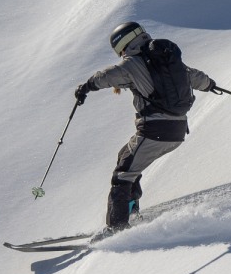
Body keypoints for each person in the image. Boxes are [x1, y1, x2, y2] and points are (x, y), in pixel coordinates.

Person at [73, 21, 215, 236]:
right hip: (176, 131)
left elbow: (106, 76)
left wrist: (86, 87)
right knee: (127, 158)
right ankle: (131, 210)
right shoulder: (168, 61)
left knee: (122, 175)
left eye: (118, 49)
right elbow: (198, 78)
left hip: (154, 131)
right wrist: (210, 85)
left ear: (123, 43)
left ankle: (117, 229)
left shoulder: (131, 64)